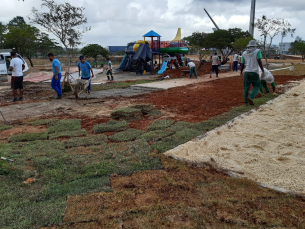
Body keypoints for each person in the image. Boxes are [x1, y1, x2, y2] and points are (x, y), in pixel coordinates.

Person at [240, 40, 264, 105]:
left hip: (247, 72)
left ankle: (246, 102)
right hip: (254, 72)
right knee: (257, 86)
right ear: (255, 45)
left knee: (246, 87)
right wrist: (262, 70)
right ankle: (251, 97)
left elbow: (242, 63)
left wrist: (241, 71)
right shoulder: (257, 51)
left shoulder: (244, 53)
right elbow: (259, 60)